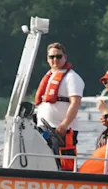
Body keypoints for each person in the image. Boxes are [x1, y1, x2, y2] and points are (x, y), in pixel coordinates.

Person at [34, 42, 84, 171]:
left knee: (64, 164)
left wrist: (65, 124)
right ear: (47, 58)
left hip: (62, 130)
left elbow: (75, 102)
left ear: (65, 57)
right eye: (51, 57)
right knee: (44, 162)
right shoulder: (49, 76)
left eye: (58, 56)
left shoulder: (72, 78)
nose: (55, 60)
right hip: (44, 128)